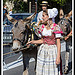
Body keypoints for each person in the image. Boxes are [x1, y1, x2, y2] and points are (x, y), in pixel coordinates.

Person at [27, 9, 63, 75]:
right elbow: (42, 40)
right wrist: (32, 42)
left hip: (52, 52)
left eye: (43, 16)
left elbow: (58, 43)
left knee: (51, 71)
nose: (42, 18)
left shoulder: (56, 27)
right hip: (43, 51)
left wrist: (58, 57)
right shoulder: (42, 27)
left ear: (49, 16)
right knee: (42, 71)